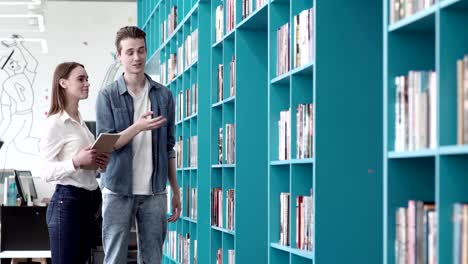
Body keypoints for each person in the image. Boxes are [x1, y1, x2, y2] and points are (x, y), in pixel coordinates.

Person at [96, 26, 181, 264]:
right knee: (114, 259)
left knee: (153, 259)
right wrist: (138, 127)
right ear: (119, 56)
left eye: (141, 51)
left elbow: (168, 147)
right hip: (117, 191)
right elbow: (106, 144)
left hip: (154, 192)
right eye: (130, 52)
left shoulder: (164, 96)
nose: (137, 58)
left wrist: (175, 189)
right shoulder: (107, 96)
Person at [40, 62, 110, 264]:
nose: (87, 83)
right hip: (67, 202)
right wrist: (75, 162)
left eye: (87, 79)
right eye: (81, 79)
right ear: (63, 83)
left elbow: (86, 165)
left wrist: (98, 163)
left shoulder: (80, 122)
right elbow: (45, 171)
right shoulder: (54, 123)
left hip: (88, 201)